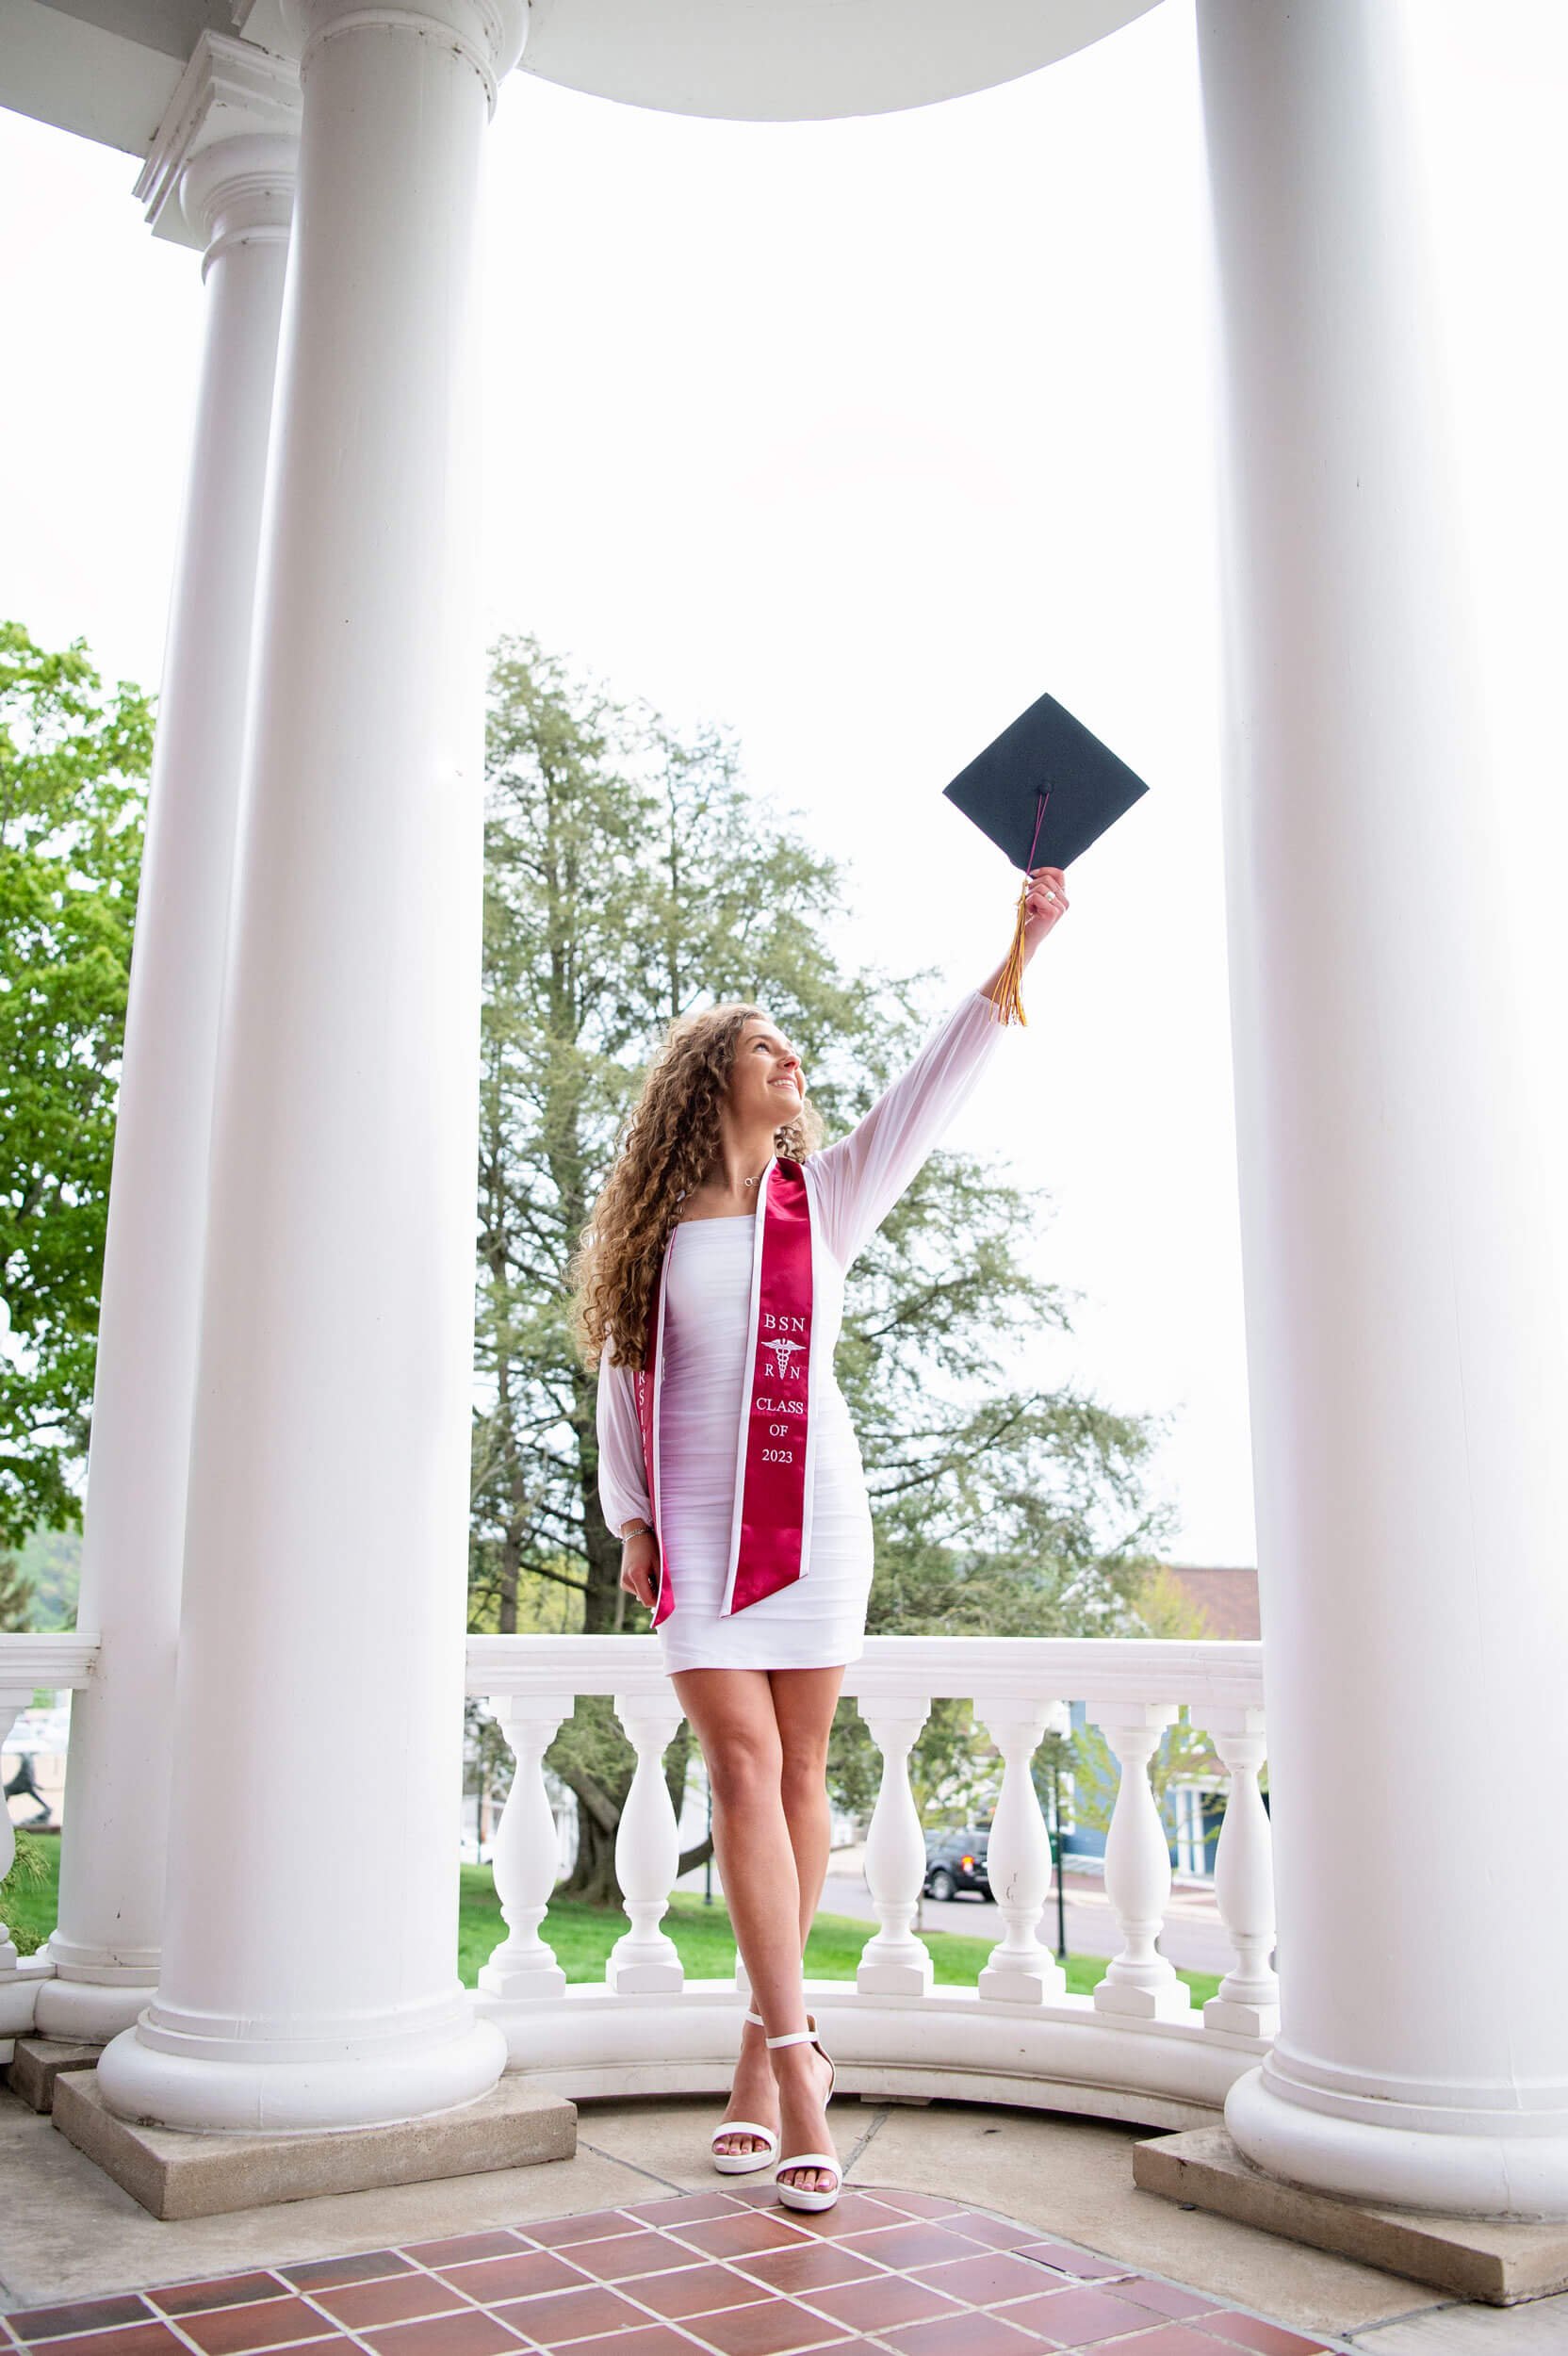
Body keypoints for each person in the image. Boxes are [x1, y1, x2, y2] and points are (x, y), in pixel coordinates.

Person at [573, 866, 1068, 2210]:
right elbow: (623, 1380)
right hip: (697, 1542)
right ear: (708, 1086)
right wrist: (627, 1518)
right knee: (739, 1772)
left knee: (799, 1774)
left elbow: (926, 1094)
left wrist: (1013, 953)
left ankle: (752, 2053)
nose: (791, 1058)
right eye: (761, 1047)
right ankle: (801, 2065)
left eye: (790, 1047)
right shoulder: (653, 1238)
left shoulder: (825, 1202)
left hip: (815, 1529)